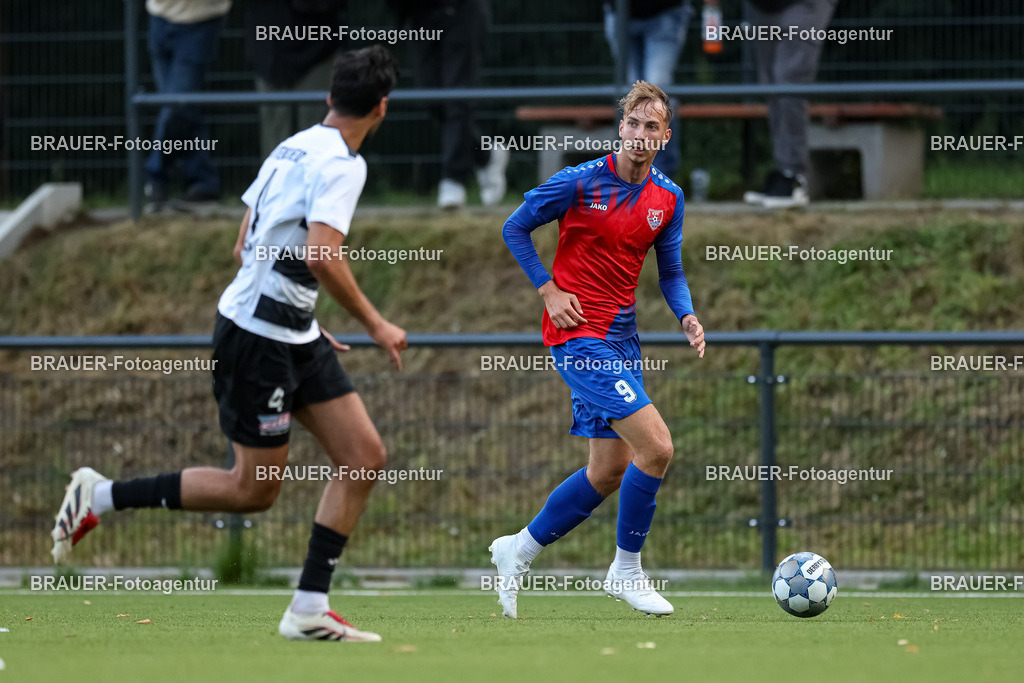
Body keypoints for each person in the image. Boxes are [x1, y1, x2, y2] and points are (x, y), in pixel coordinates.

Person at [51, 45, 408, 643]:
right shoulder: (345, 164)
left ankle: (308, 607)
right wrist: (376, 323)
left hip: (292, 332)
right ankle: (101, 494)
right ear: (382, 108)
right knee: (252, 490)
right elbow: (321, 254)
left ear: (328, 98)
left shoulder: (291, 145)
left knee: (364, 456)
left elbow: (246, 242)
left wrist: (307, 319)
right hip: (255, 339)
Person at [493, 80, 705, 619]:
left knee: (608, 470)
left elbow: (672, 270)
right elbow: (515, 227)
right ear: (620, 128)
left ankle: (517, 549)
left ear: (664, 136)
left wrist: (686, 314)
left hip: (623, 339)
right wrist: (549, 289)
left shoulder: (668, 198)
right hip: (578, 336)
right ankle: (625, 571)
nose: (639, 135)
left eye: (650, 127)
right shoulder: (579, 182)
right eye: (632, 124)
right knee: (656, 448)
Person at [386, 0, 508, 209]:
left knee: (457, 97)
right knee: (432, 100)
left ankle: (453, 179)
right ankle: (485, 154)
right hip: (421, 16)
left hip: (462, 10)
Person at [741, 0, 839, 208]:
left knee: (789, 81)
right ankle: (784, 172)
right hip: (762, 7)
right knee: (771, 87)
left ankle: (794, 177)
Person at [145, 0, 231, 207]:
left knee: (177, 105)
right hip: (158, 17)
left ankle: (155, 176)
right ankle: (203, 182)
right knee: (183, 109)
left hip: (200, 20)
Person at [244, 0, 347, 160]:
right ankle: (278, 184)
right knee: (276, 142)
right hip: (269, 52)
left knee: (316, 135)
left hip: (317, 47)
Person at [603, 1, 695, 180]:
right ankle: (627, 177)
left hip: (664, 11)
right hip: (618, 12)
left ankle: (661, 178)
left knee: (658, 91)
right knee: (630, 94)